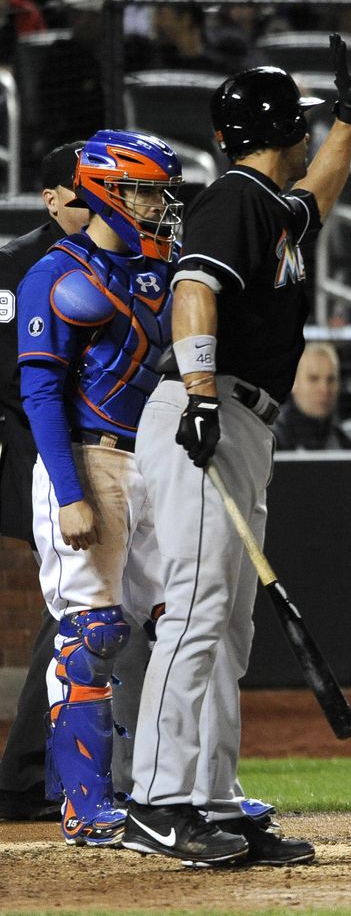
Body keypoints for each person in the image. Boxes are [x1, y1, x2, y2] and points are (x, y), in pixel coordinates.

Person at [121, 42, 351, 868]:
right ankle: (157, 801)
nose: (310, 132)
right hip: (208, 407)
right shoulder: (233, 200)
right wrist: (196, 396)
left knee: (228, 624)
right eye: (303, 118)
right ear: (281, 124)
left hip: (237, 417)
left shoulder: (269, 203)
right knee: (196, 611)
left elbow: (318, 195)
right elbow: (194, 287)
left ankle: (214, 798)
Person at [16, 130, 184, 847]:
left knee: (178, 623)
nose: (159, 204)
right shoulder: (58, 273)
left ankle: (174, 790)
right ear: (109, 190)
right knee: (93, 633)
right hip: (90, 461)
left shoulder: (163, 266)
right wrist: (69, 492)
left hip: (156, 461)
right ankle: (85, 804)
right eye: (147, 190)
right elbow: (41, 391)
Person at [0, 142, 88, 823]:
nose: (96, 204)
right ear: (51, 197)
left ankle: (38, 769)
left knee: (78, 604)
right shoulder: (18, 264)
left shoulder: (119, 261)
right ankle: (33, 771)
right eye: (82, 192)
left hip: (73, 446)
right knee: (77, 601)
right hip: (31, 446)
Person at [273, 341, 351, 450]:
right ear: (293, 383)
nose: (324, 389)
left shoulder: (348, 444)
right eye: (313, 379)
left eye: (331, 379)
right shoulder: (272, 441)